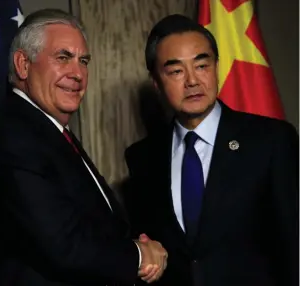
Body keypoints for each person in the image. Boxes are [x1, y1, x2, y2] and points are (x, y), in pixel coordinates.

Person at [0, 9, 168, 286]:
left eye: (83, 61)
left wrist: (135, 248)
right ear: (23, 65)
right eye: (63, 58)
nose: (78, 73)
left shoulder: (49, 132)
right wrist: (139, 256)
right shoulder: (10, 139)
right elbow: (66, 246)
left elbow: (91, 228)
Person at [123, 14, 299, 286]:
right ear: (157, 82)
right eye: (176, 71)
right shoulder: (142, 157)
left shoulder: (271, 141)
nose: (192, 81)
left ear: (216, 67)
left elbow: (293, 245)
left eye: (202, 65)